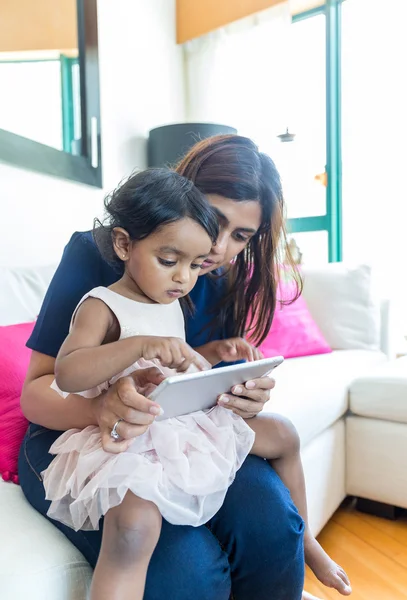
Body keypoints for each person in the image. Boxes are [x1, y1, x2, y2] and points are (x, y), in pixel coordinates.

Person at [17, 134, 314, 600]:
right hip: (78, 436)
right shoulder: (96, 256)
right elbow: (39, 391)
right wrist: (101, 410)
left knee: (272, 527)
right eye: (214, 221)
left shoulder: (219, 275)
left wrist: (238, 393)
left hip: (177, 435)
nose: (216, 248)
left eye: (241, 236)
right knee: (186, 572)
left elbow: (190, 376)